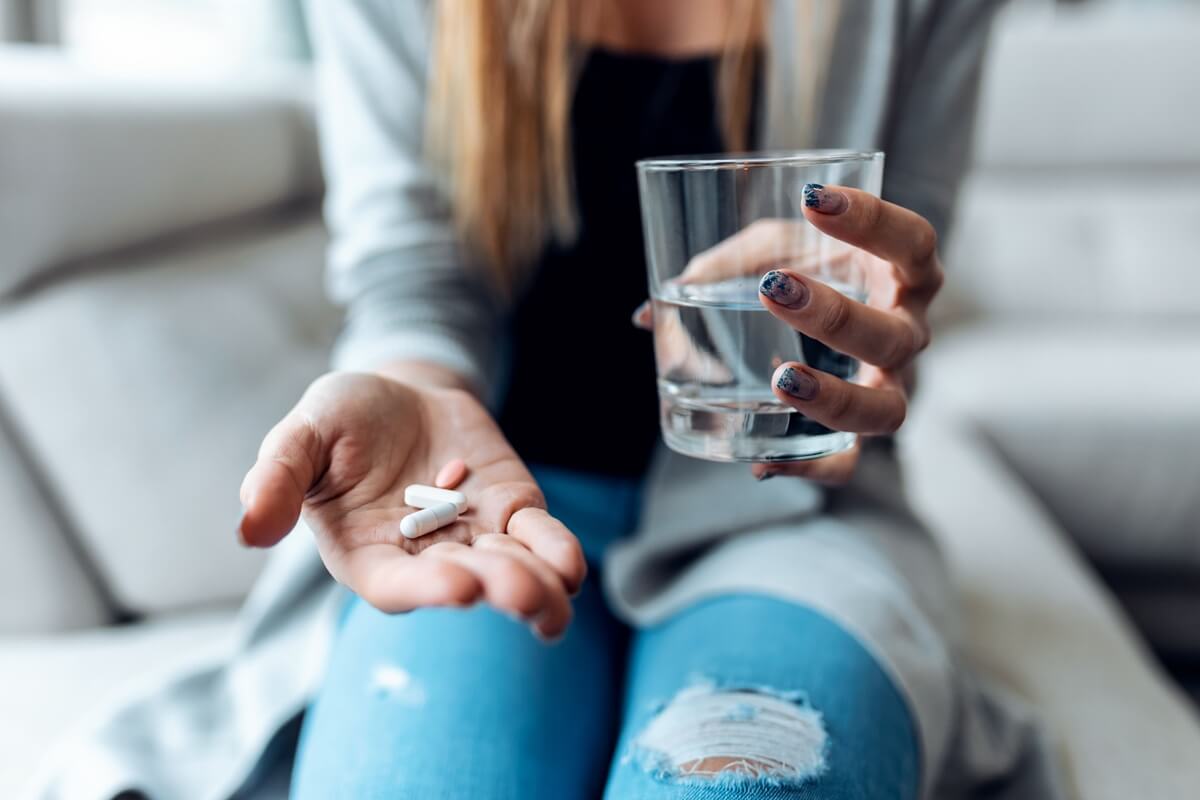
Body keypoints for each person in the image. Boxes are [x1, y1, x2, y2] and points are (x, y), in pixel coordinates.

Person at [229, 1, 1059, 799]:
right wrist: (411, 391)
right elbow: (411, 280)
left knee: (749, 777)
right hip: (476, 505)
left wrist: (875, 343)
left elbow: (888, 283)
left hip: (785, 508)